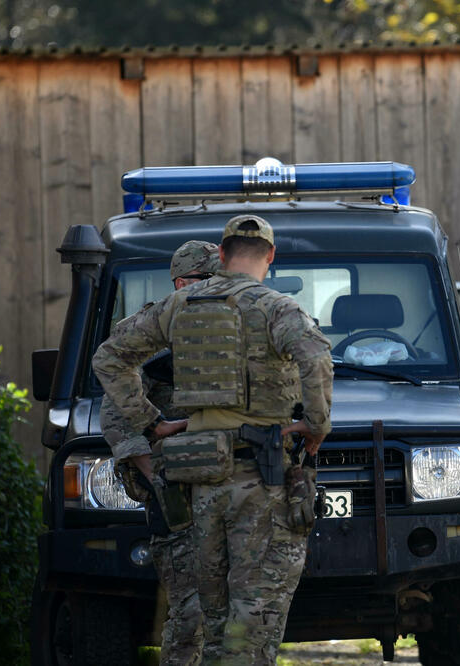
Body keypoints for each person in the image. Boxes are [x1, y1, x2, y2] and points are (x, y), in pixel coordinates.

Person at [92, 214, 334, 664]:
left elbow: (109, 358)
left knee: (215, 620)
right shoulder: (278, 307)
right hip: (262, 480)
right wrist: (317, 426)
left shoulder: (178, 306)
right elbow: (316, 358)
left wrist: (153, 424)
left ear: (221, 256)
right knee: (253, 618)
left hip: (202, 482)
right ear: (272, 257)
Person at [100, 240, 221, 666]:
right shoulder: (151, 332)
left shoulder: (236, 325)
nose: (215, 289)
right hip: (178, 489)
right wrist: (155, 473)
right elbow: (116, 412)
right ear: (182, 283)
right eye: (205, 281)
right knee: (189, 614)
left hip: (231, 485)